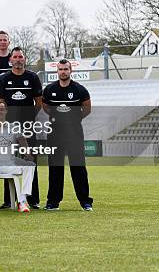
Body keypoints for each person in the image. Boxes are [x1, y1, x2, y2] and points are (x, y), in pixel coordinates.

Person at [42, 59, 93, 211]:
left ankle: (85, 201)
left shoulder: (79, 89)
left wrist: (73, 119)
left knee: (78, 167)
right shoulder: (50, 89)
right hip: (55, 133)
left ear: (71, 71)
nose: (63, 72)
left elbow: (87, 108)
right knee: (55, 168)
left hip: (74, 133)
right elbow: (45, 107)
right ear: (56, 71)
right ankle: (53, 202)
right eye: (60, 69)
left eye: (65, 69)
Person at [0, 47, 42, 209]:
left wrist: (28, 116)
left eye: (20, 57)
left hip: (28, 127)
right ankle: (9, 200)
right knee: (8, 160)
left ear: (24, 59)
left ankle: (32, 200)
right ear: (10, 60)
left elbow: (39, 102)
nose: (18, 59)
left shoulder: (33, 77)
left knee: (30, 160)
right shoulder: (3, 79)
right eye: (15, 57)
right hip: (8, 128)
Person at [0, 100, 35, 213]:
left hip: (11, 162)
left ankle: (22, 201)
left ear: (6, 111)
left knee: (31, 165)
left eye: (1, 109)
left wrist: (27, 154)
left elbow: (23, 143)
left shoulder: (14, 126)